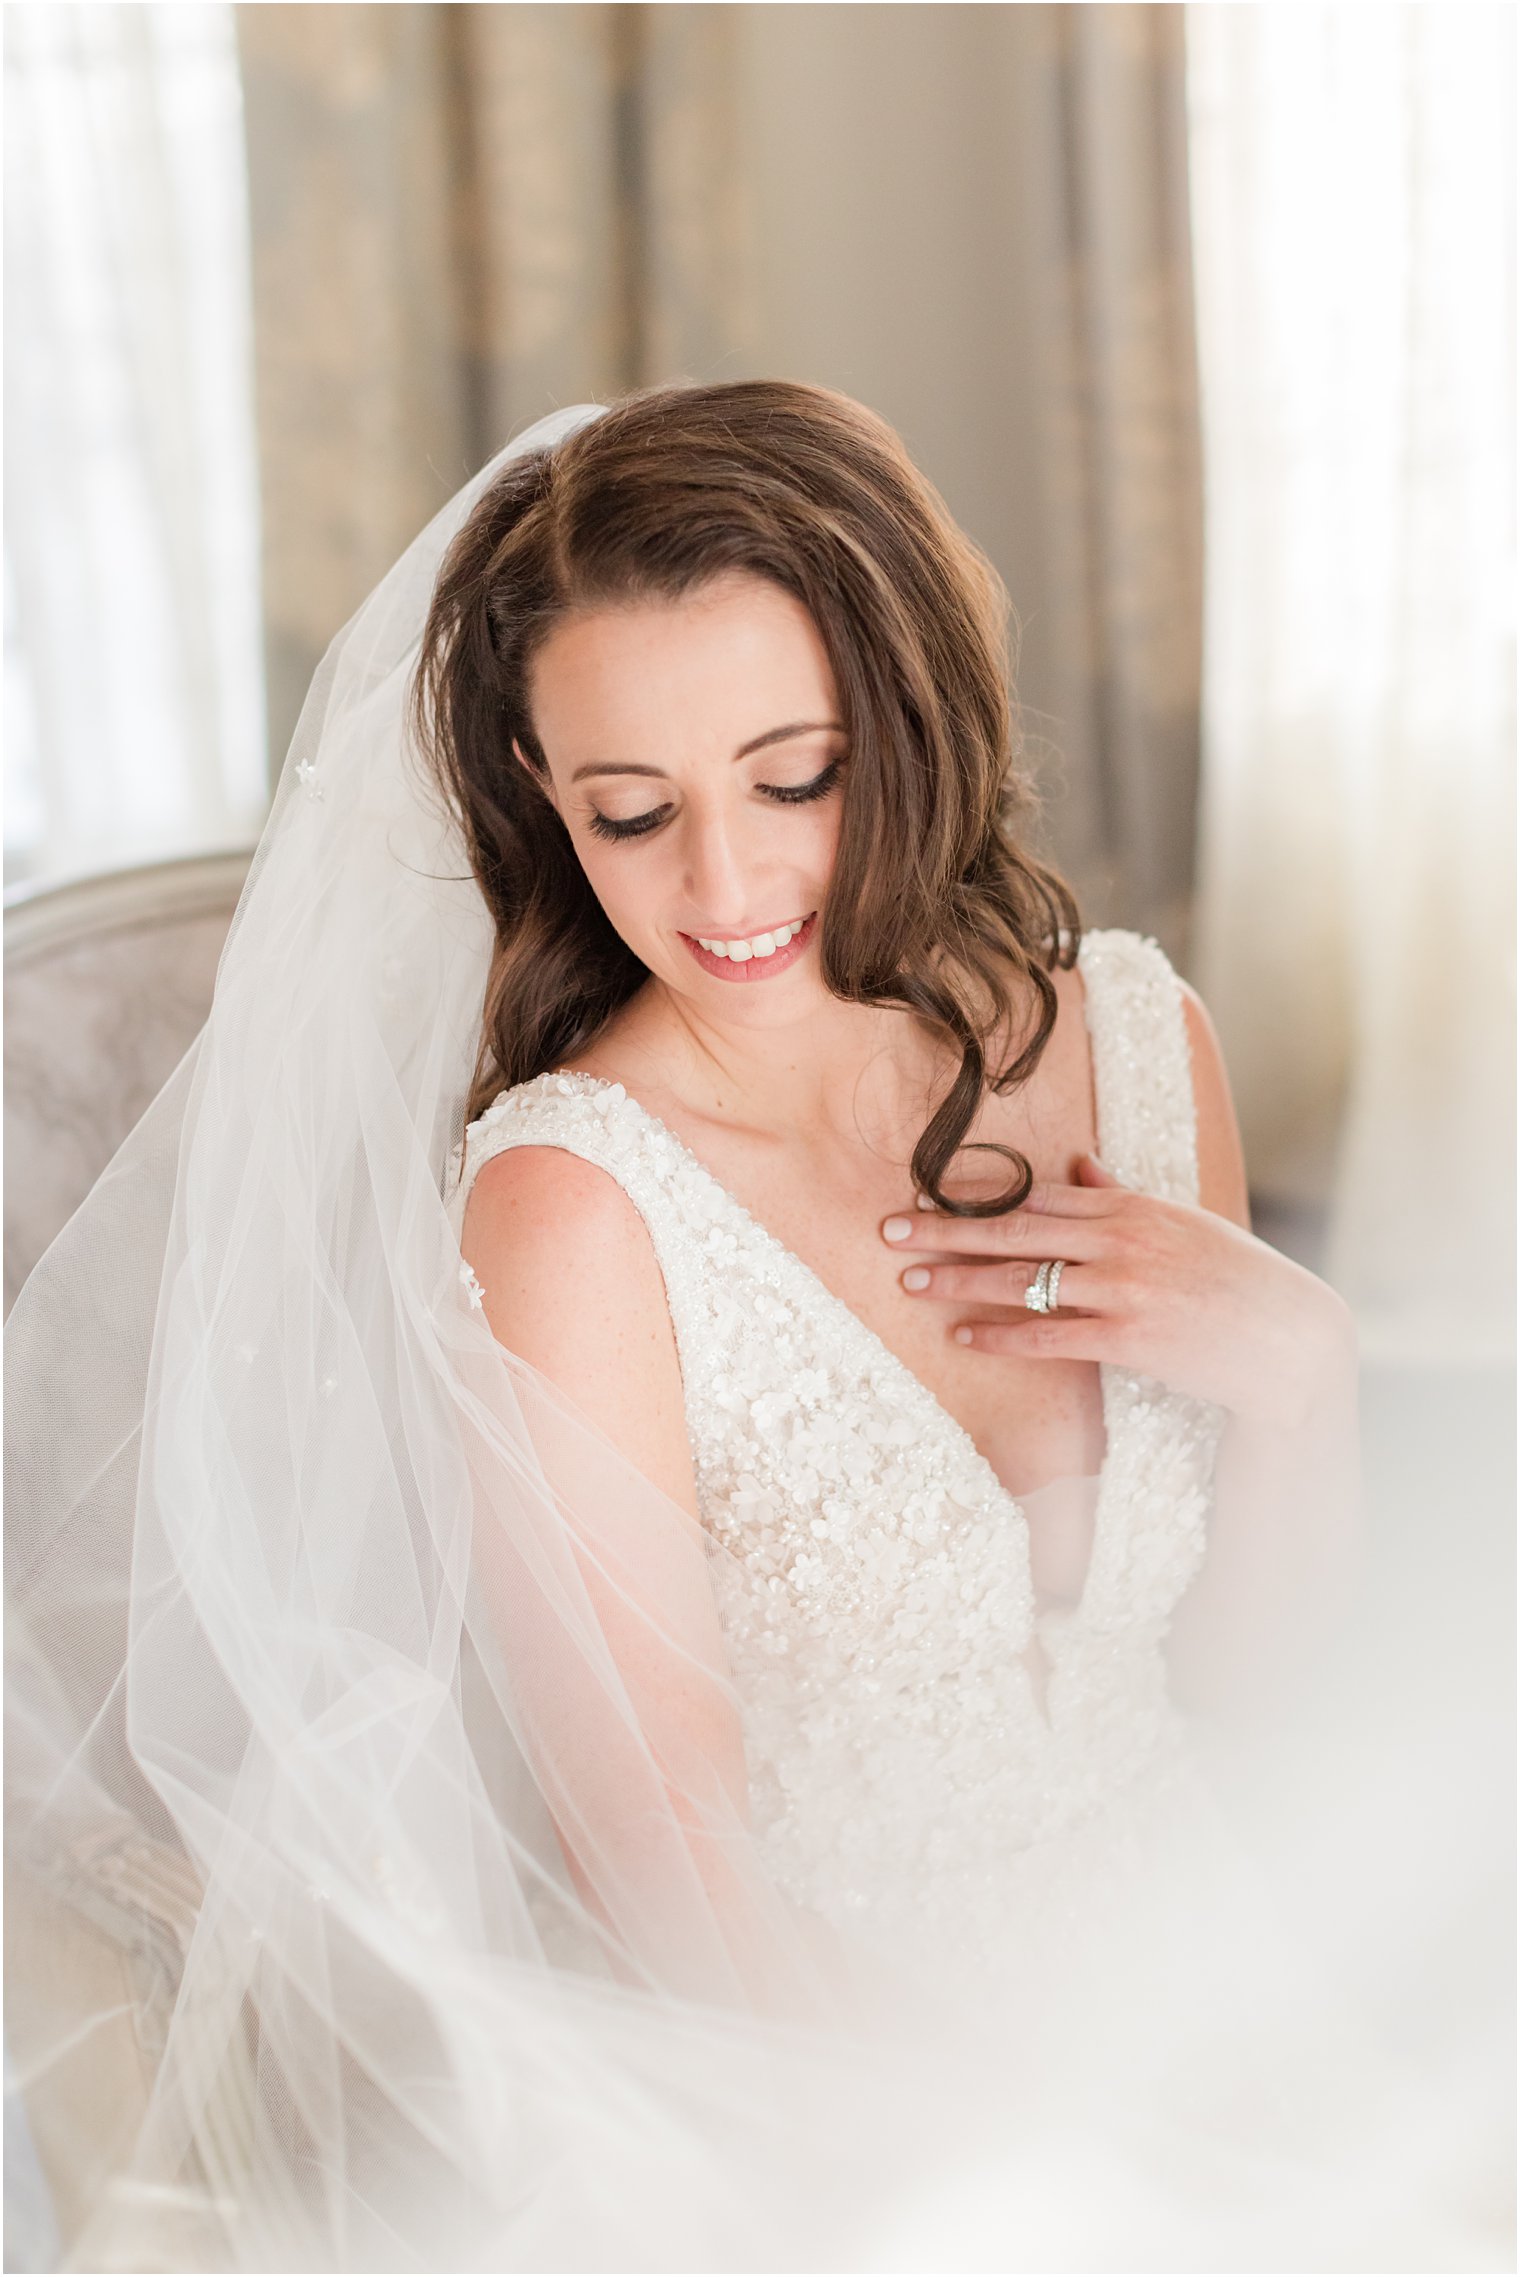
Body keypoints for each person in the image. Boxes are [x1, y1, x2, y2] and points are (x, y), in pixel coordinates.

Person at [5, 386, 1370, 2276]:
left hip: (1224, 1993)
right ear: (542, 797)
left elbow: (1254, 1697)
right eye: (632, 814)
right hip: (815, 2103)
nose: (721, 890)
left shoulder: (1140, 1045)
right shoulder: (574, 1207)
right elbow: (679, 1885)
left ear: (904, 713)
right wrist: (1060, 2181)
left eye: (790, 777)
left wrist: (1302, 1375)